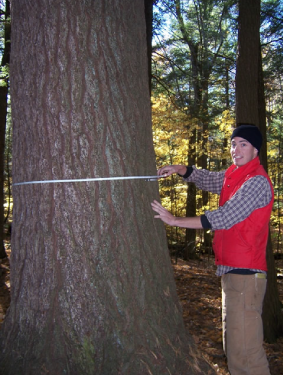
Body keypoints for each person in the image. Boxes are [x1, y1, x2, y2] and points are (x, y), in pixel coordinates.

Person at [151, 124, 274, 375]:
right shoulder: (235, 176)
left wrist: (175, 221)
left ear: (255, 150)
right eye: (233, 143)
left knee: (246, 355)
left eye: (243, 145)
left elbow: (225, 217)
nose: (236, 149)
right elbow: (208, 178)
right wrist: (180, 169)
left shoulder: (256, 182)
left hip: (246, 276)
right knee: (237, 349)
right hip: (234, 273)